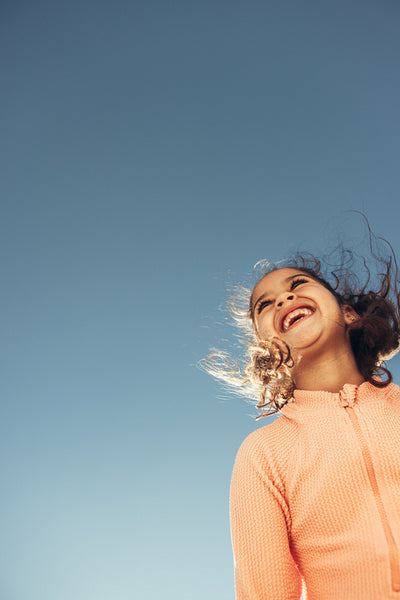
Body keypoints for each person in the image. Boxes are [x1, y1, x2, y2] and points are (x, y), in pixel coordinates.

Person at [203, 239, 400, 599]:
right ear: (267, 346)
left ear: (348, 314)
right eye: (264, 304)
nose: (283, 298)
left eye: (297, 285)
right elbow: (266, 589)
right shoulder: (263, 453)